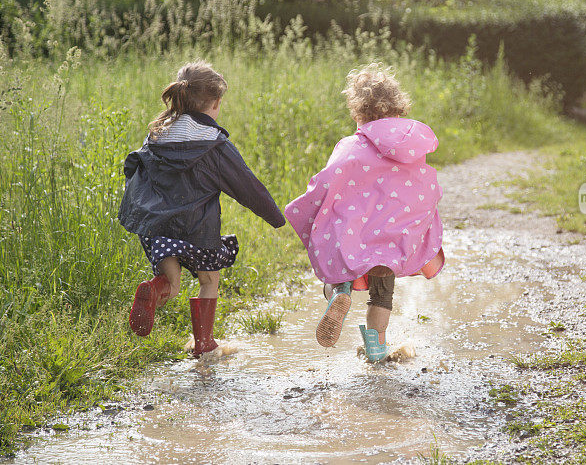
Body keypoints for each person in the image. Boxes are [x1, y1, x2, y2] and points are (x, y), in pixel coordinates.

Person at [118, 60, 285, 357]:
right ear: (216, 102)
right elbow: (247, 187)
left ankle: (156, 289)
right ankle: (204, 344)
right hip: (198, 231)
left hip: (158, 230)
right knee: (209, 280)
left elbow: (136, 170)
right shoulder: (214, 145)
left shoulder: (157, 135)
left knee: (173, 282)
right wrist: (276, 217)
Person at [285, 63, 445, 362]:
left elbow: (328, 183)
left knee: (337, 243)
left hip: (357, 236)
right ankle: (376, 351)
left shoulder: (352, 145)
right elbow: (421, 186)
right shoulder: (411, 146)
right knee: (382, 294)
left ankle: (339, 292)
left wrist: (305, 205)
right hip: (394, 238)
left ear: (358, 111)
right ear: (399, 106)